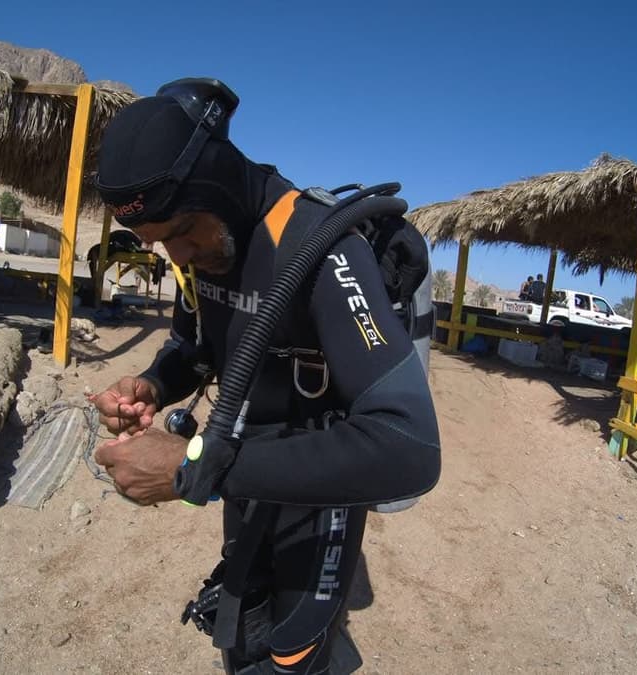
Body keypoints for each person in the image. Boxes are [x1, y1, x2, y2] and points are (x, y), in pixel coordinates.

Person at [90, 78, 440, 675]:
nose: (177, 256)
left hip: (319, 492)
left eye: (180, 233)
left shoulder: (322, 249)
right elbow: (194, 345)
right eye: (157, 244)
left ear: (218, 186)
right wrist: (152, 384)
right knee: (241, 626)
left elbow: (410, 449)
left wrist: (192, 468)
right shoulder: (202, 251)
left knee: (292, 653)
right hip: (240, 467)